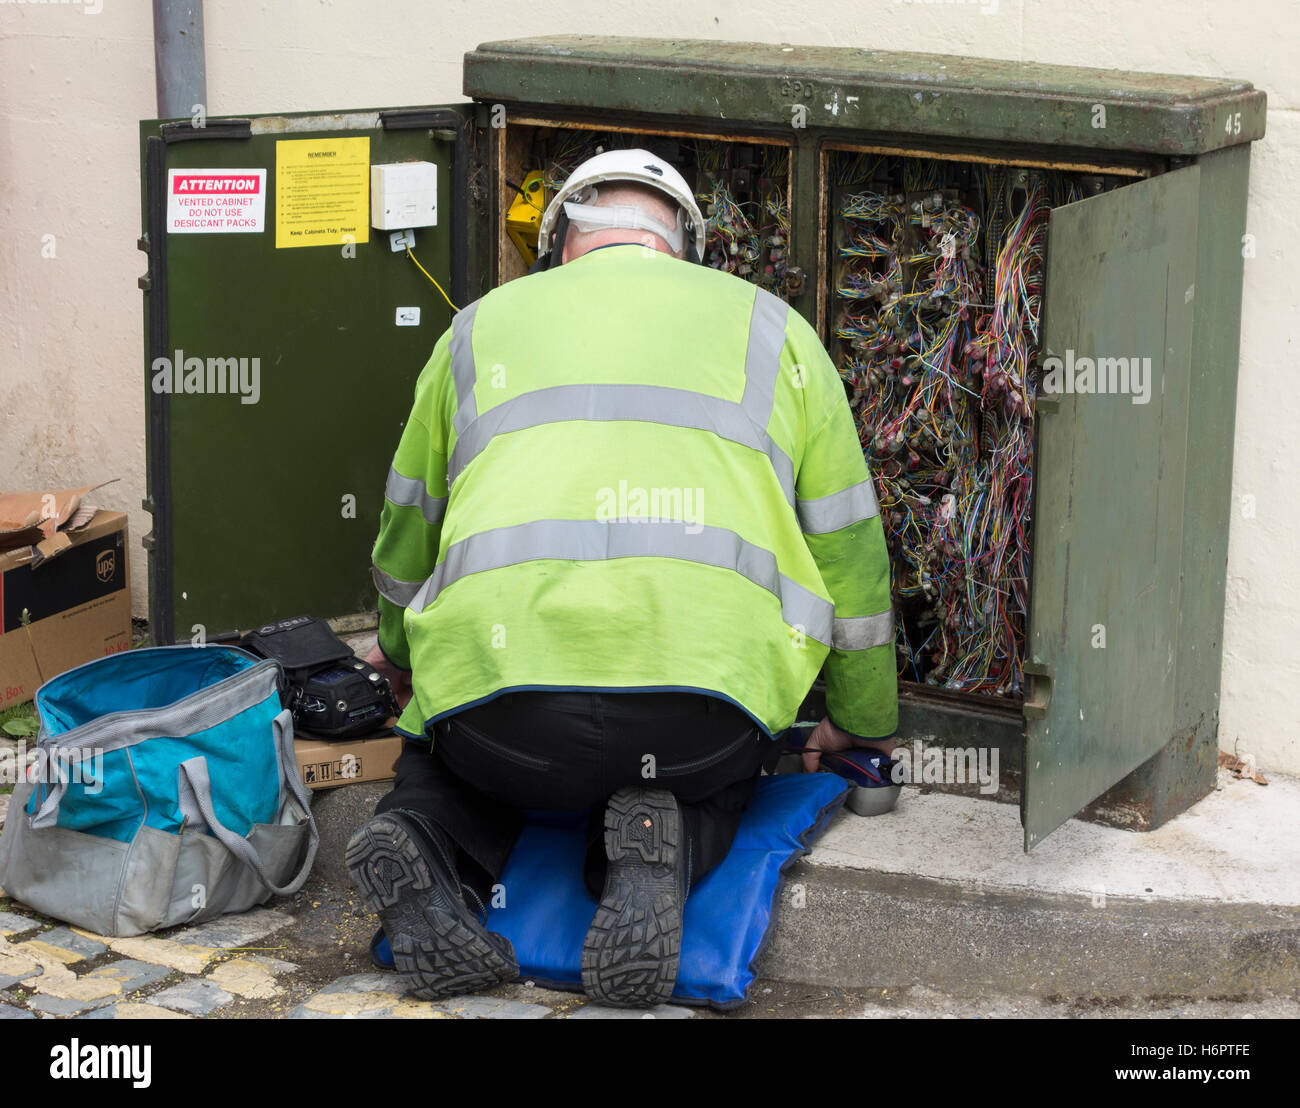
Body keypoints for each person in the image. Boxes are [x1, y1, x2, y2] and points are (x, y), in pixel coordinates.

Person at [347, 148, 898, 1008]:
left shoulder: (478, 329)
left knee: (446, 754)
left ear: (562, 238)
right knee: (716, 778)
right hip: (700, 716)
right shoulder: (774, 330)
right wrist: (862, 726)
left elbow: (408, 524)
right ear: (683, 246)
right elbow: (850, 552)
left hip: (503, 718)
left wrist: (402, 661)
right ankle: (655, 849)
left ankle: (420, 835)